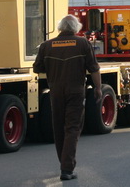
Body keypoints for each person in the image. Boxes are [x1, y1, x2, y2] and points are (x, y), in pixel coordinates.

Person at [33, 15, 101, 181]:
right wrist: (98, 88)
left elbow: (37, 68)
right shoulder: (83, 43)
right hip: (76, 91)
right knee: (72, 128)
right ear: (76, 27)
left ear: (60, 27)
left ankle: (64, 164)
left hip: (55, 91)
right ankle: (67, 168)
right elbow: (94, 68)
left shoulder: (46, 45)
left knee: (58, 127)